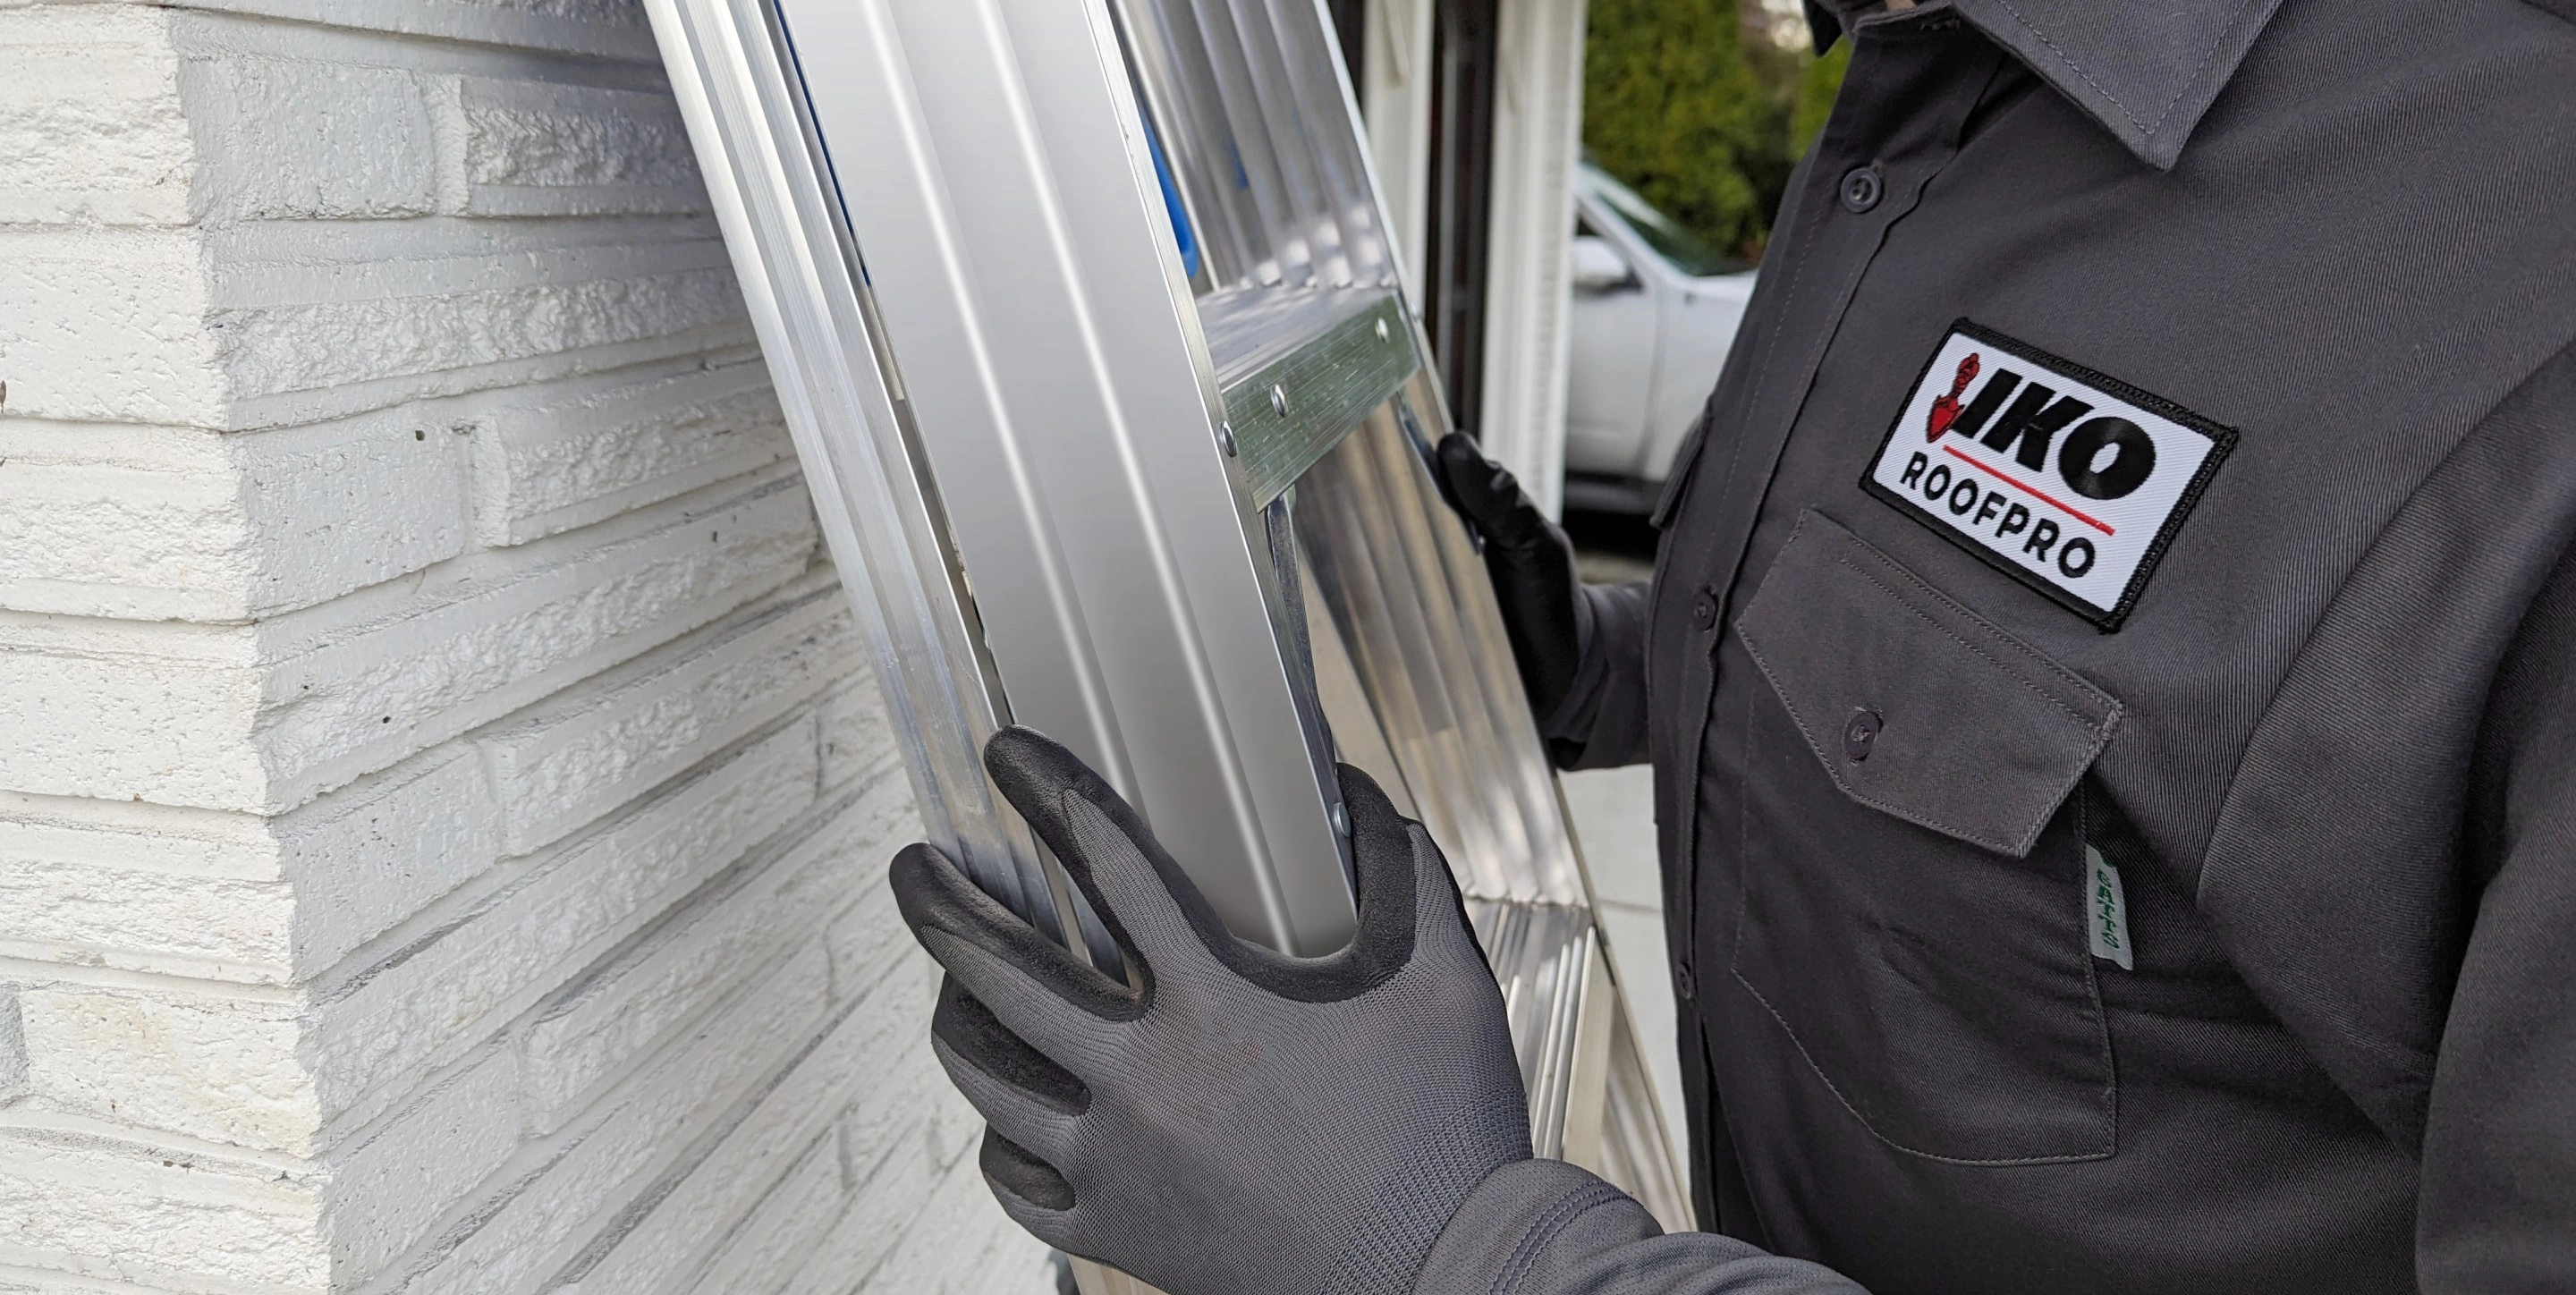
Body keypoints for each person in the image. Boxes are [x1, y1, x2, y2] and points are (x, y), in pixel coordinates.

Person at [889, 0, 2576, 1291]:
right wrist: (1603, 669)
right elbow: (1984, 726)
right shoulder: (1923, 115)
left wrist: (1446, 1251)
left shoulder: (2512, 310)